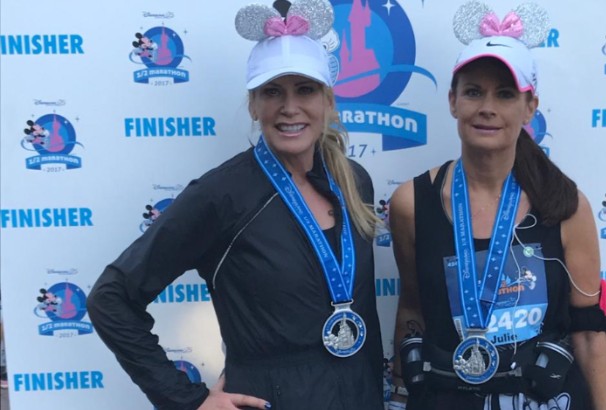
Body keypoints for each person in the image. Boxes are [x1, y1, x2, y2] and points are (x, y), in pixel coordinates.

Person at [87, 1, 384, 409]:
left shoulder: (354, 182)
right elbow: (111, 297)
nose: (290, 107)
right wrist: (188, 401)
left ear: (328, 100)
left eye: (305, 89)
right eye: (272, 92)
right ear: (253, 104)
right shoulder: (222, 195)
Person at [388, 3, 606, 410]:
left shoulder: (565, 206)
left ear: (530, 106)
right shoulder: (411, 202)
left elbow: (588, 334)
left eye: (506, 94)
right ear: (453, 101)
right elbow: (412, 307)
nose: (488, 107)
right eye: (474, 91)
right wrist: (400, 392)